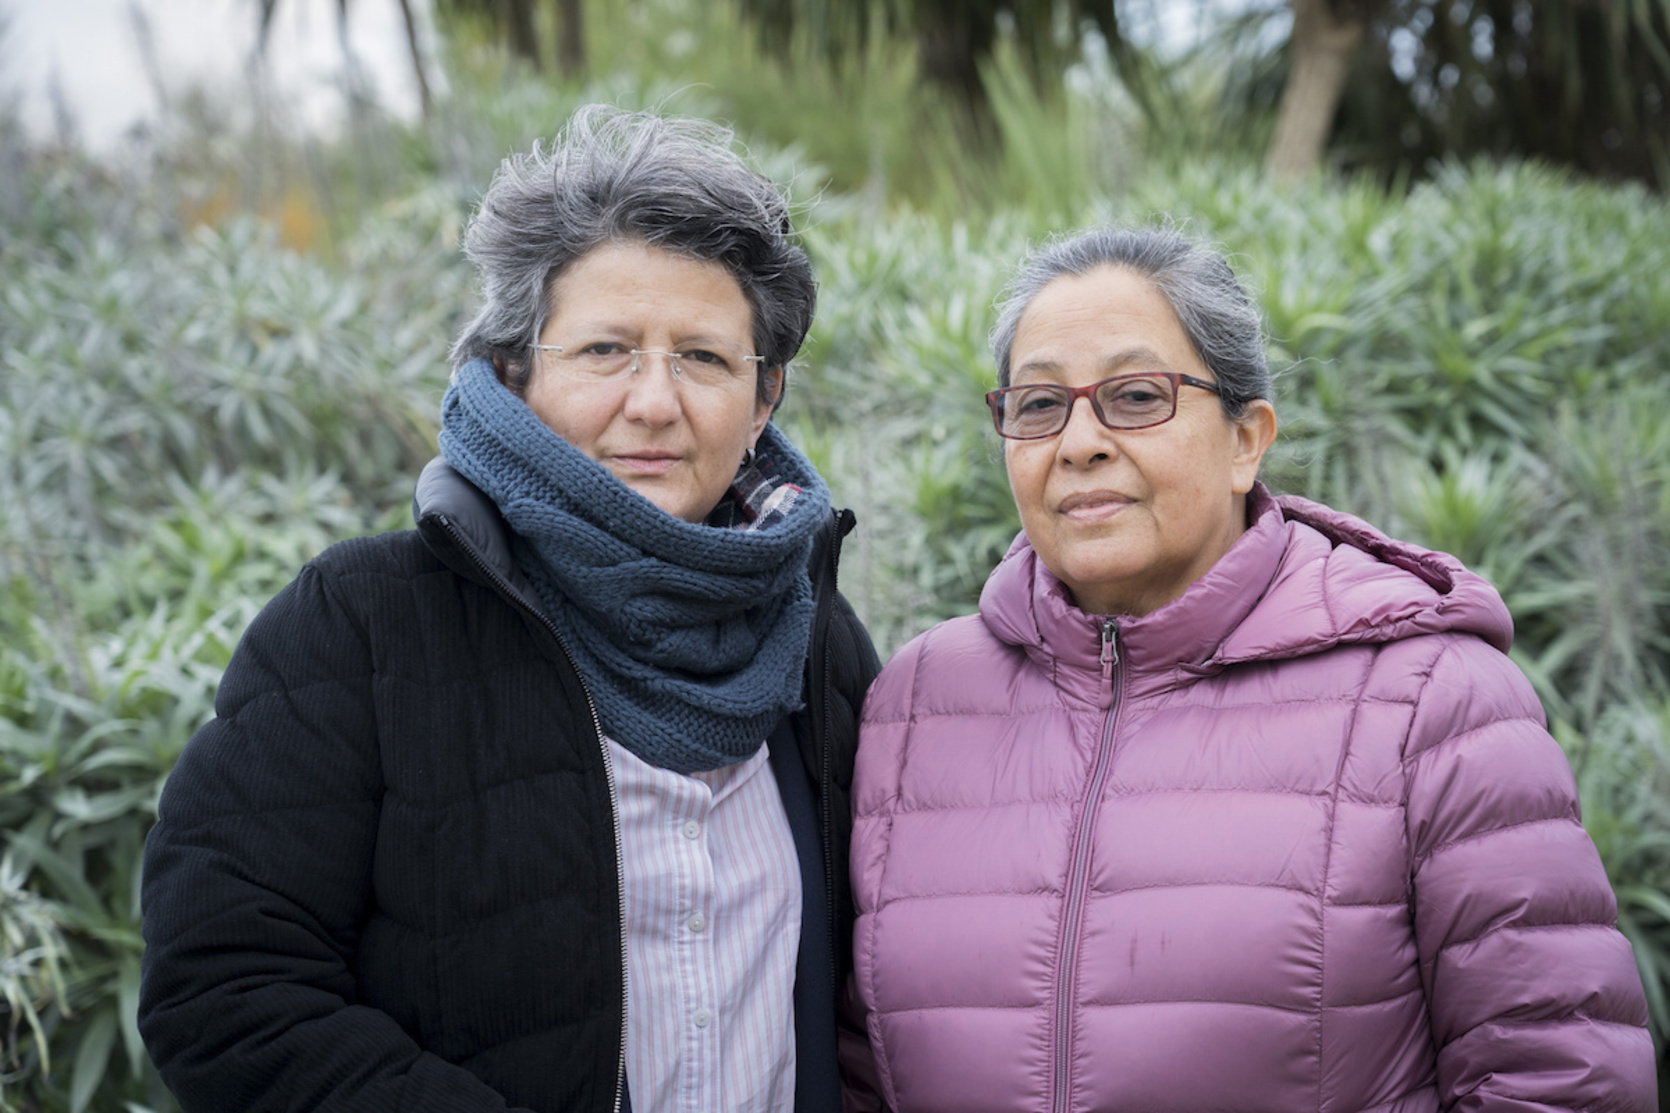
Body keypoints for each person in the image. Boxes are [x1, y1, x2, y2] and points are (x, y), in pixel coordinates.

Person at [139, 104, 880, 1113]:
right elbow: (223, 988)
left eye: (703, 357)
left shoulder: (815, 647)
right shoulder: (362, 625)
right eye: (605, 350)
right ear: (513, 376)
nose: (655, 401)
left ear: (763, 401)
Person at [843, 226, 1655, 1112]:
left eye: (1137, 394)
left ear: (1246, 440)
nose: (1078, 442)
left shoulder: (1431, 702)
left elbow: (1558, 1080)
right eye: (1039, 406)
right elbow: (859, 1067)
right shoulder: (917, 705)